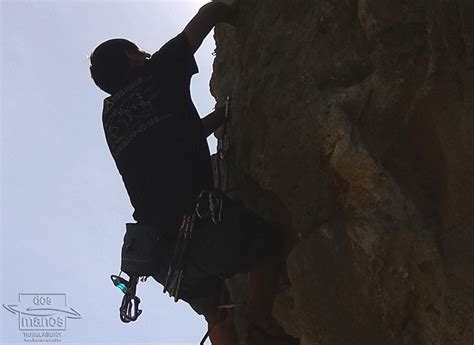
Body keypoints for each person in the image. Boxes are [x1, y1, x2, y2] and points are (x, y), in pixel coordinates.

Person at [89, 2, 291, 344]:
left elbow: (176, 139)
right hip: (199, 226)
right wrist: (237, 14)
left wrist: (218, 117)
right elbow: (209, 14)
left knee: (217, 312)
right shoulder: (158, 71)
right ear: (133, 57)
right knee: (266, 247)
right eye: (139, 51)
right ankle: (259, 327)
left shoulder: (111, 119)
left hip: (160, 254)